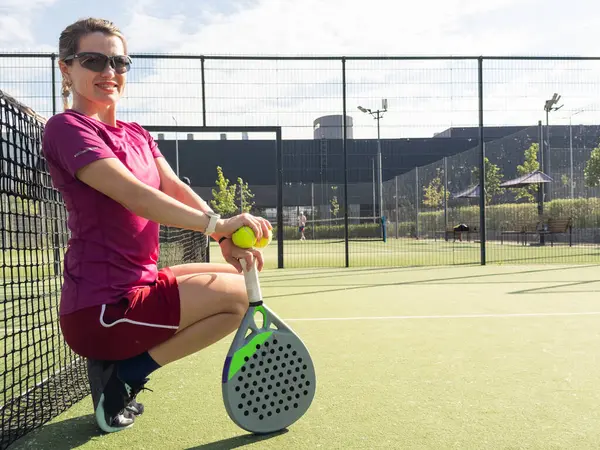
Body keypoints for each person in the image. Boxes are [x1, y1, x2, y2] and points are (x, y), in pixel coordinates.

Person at [42, 18, 272, 434]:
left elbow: (175, 189)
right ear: (66, 68)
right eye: (93, 60)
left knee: (239, 273)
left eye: (119, 62)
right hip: (102, 310)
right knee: (238, 297)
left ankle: (118, 370)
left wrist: (222, 235)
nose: (108, 72)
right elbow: (135, 195)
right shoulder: (66, 128)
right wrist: (217, 223)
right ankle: (127, 375)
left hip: (137, 287)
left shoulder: (137, 134)